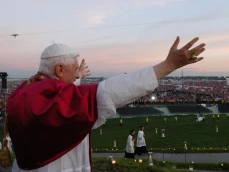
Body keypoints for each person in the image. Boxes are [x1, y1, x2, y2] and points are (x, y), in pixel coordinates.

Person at [7, 36, 205, 172]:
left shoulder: (27, 90)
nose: (76, 73)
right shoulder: (50, 97)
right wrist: (169, 65)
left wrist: (77, 76)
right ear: (59, 69)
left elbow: (64, 96)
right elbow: (110, 91)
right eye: (74, 69)